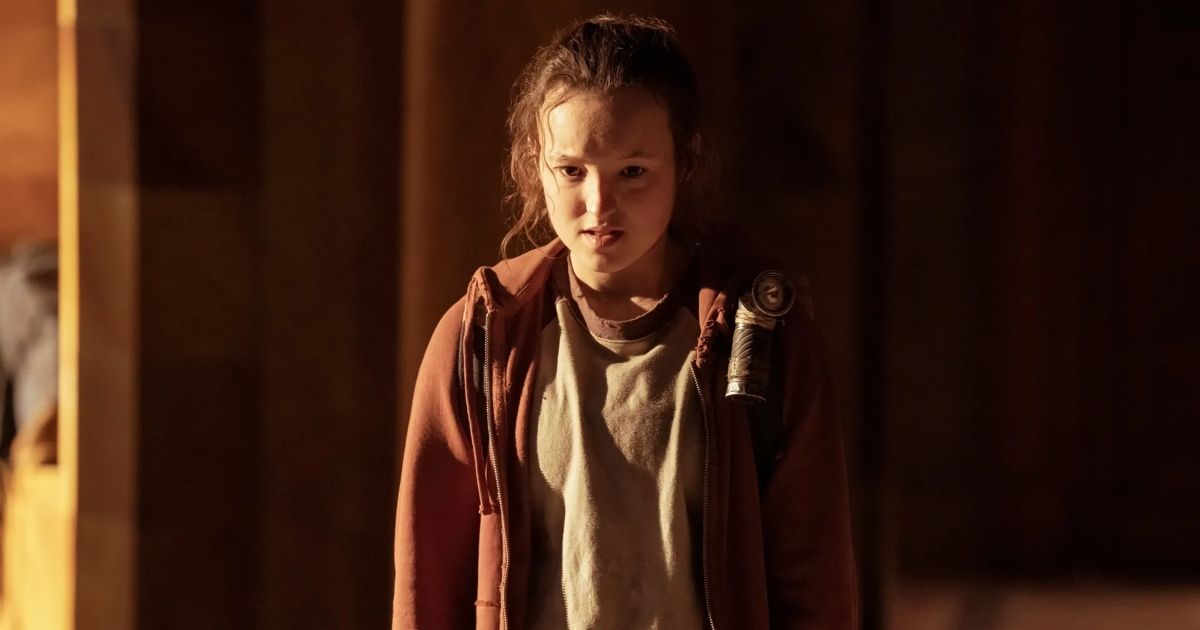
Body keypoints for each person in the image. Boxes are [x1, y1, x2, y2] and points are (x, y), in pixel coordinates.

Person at [393, 14, 857, 630]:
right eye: (572, 170)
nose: (598, 205)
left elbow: (813, 582)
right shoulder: (485, 337)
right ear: (537, 164)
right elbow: (429, 584)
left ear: (684, 159)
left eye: (632, 171)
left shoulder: (760, 336)